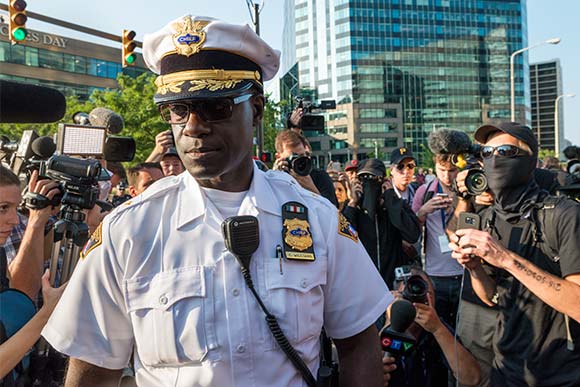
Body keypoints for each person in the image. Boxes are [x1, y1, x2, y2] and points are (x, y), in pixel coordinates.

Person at [42, 16, 392, 387]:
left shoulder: (316, 218)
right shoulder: (127, 230)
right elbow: (94, 370)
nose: (193, 126)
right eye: (178, 109)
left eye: (215, 107)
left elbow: (358, 345)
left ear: (255, 110)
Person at [448, 122, 580, 386]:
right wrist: (474, 268)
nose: (493, 159)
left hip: (560, 374)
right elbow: (492, 298)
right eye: (486, 153)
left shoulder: (564, 214)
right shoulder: (487, 218)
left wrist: (506, 259)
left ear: (530, 159)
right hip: (507, 368)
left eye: (505, 151)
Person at [382, 268, 481, 387]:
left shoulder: (437, 326)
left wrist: (437, 329)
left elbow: (472, 378)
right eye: (408, 296)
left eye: (424, 294)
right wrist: (392, 322)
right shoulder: (382, 322)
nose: (416, 302)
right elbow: (372, 370)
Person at [343, 158, 421, 288]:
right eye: (364, 178)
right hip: (363, 286)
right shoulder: (353, 209)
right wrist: (352, 203)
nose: (370, 183)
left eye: (374, 178)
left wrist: (391, 199)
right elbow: (343, 241)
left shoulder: (394, 206)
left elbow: (412, 234)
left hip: (392, 286)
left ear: (384, 181)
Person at [412, 153, 461, 329]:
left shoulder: (467, 192)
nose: (447, 176)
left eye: (452, 170)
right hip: (435, 274)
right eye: (442, 170)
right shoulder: (424, 192)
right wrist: (423, 211)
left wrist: (459, 206)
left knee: (462, 332)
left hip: (465, 272)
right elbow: (412, 233)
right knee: (437, 330)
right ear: (434, 169)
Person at [273, 130, 338, 207]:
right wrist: (274, 177)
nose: (298, 161)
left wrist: (311, 188)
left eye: (301, 156)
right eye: (292, 158)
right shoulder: (275, 180)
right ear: (279, 157)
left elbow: (334, 213)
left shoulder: (320, 177)